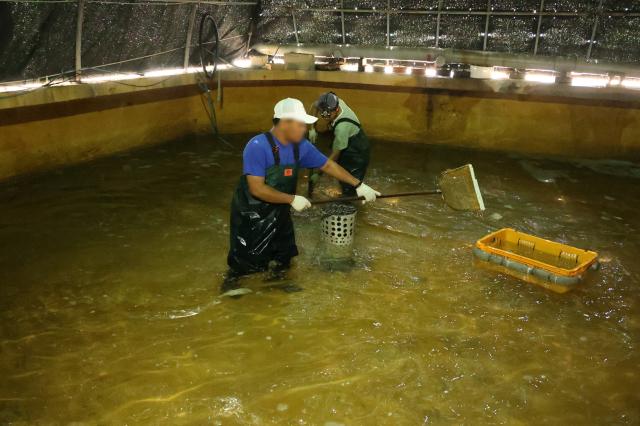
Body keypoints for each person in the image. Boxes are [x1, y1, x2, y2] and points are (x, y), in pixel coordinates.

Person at [224, 98, 380, 290]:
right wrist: (292, 199)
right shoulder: (257, 146)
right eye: (300, 125)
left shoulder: (301, 146)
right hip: (252, 213)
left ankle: (276, 282)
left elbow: (327, 164)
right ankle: (231, 285)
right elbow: (257, 189)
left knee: (284, 253)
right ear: (284, 123)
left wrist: (358, 185)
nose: (304, 129)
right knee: (247, 257)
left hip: (280, 209)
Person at [308, 92, 371, 196]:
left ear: (336, 110)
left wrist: (319, 173)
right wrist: (312, 128)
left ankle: (350, 203)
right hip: (344, 138)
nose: (325, 116)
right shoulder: (333, 102)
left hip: (357, 150)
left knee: (350, 184)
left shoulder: (342, 127)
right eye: (322, 113)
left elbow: (335, 154)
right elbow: (314, 106)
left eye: (328, 114)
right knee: (340, 172)